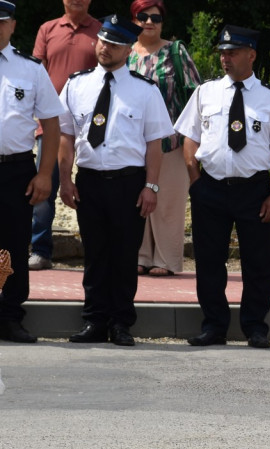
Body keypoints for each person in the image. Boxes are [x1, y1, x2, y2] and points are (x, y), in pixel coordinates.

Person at [175, 25, 270, 349]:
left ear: (251, 55)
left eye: (232, 52)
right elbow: (190, 137)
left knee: (258, 261)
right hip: (211, 186)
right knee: (209, 260)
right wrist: (194, 179)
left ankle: (255, 326)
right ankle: (213, 325)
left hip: (253, 189)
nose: (224, 58)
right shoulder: (206, 92)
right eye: (222, 52)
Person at [58, 14, 174, 347]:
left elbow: (156, 143)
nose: (104, 48)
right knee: (94, 254)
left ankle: (121, 322)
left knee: (124, 256)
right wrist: (65, 179)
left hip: (129, 183)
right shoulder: (77, 84)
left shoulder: (144, 90)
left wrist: (151, 186)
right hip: (90, 181)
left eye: (113, 44)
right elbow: (66, 135)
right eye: (102, 41)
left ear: (128, 50)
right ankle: (94, 320)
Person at [0, 0, 64, 344]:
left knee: (11, 245)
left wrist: (44, 174)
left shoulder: (31, 69)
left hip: (15, 169)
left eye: (2, 22)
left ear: (12, 25)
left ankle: (10, 314)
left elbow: (51, 126)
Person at [128, 0, 200, 278]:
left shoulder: (175, 51)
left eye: (155, 18)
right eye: (143, 17)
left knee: (168, 201)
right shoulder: (126, 52)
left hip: (172, 140)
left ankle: (166, 259)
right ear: (133, 20)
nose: (149, 22)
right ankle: (140, 254)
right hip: (133, 142)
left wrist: (193, 137)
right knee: (138, 199)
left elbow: (195, 94)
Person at [30, 0, 100, 271]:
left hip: (90, 126)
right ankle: (41, 250)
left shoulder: (101, 31)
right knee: (42, 189)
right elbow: (36, 74)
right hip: (49, 125)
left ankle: (95, 250)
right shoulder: (48, 29)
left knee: (90, 188)